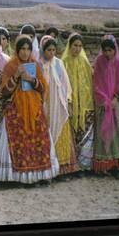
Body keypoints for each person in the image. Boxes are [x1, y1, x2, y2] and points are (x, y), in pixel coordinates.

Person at [0, 34, 59, 184]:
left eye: (28, 49)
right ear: (17, 50)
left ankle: (39, 175)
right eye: (22, 49)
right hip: (16, 110)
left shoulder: (35, 65)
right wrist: (16, 76)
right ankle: (19, 177)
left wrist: (32, 80)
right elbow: (4, 91)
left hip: (34, 109)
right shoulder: (10, 66)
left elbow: (43, 88)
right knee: (17, 140)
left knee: (40, 140)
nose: (25, 52)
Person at [92, 35, 119, 178]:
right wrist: (104, 99)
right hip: (103, 104)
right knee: (104, 135)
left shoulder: (118, 62)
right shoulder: (99, 62)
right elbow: (96, 82)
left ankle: (117, 166)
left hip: (116, 104)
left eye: (111, 50)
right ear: (102, 51)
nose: (108, 53)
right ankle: (105, 166)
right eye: (105, 51)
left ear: (115, 50)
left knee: (118, 133)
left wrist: (115, 98)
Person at [39, 36, 80, 177]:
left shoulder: (58, 63)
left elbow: (65, 83)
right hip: (46, 104)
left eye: (53, 50)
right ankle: (50, 166)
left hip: (59, 103)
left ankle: (64, 167)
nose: (51, 53)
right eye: (48, 50)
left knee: (62, 131)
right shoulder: (39, 64)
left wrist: (67, 100)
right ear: (42, 50)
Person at [62, 33, 95, 171]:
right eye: (75, 45)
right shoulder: (64, 62)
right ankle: (74, 167)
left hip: (85, 106)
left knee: (85, 135)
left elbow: (90, 84)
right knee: (72, 135)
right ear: (70, 45)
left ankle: (85, 166)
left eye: (80, 46)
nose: (77, 48)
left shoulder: (85, 63)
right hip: (70, 105)